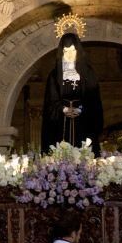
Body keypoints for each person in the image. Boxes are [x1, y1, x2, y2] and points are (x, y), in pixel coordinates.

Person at [40, 21, 103, 155]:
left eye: (72, 50)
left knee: (84, 152)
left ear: (78, 51)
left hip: (83, 121)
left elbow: (94, 100)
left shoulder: (88, 73)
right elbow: (50, 102)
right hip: (60, 122)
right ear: (61, 52)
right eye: (66, 51)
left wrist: (80, 109)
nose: (69, 54)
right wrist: (63, 109)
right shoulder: (55, 75)